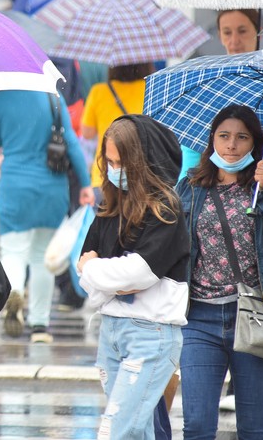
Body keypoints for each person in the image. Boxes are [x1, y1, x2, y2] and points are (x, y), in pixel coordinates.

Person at [176, 104, 263, 439]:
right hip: (199, 318)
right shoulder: (190, 187)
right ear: (212, 140)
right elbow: (169, 242)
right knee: (196, 425)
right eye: (223, 136)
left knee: (253, 429)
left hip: (257, 315)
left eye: (242, 137)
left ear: (256, 143)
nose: (231, 145)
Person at [77, 114, 190, 440]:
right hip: (112, 331)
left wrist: (97, 270)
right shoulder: (110, 205)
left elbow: (138, 272)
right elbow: (82, 270)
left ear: (142, 160)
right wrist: (104, 276)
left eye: (122, 162)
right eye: (109, 161)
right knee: (137, 432)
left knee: (116, 431)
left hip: (150, 333)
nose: (114, 170)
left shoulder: (165, 209)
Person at [0, 90, 94, 342]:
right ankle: (40, 326)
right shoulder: (53, 97)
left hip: (15, 188)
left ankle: (16, 292)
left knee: (13, 251)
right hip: (51, 190)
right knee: (43, 258)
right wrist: (85, 184)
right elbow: (72, 143)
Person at [179, 9, 261, 180]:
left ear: (258, 31)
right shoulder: (207, 86)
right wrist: (185, 193)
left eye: (242, 31)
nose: (234, 41)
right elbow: (192, 151)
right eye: (227, 32)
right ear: (219, 35)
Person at [81, 63, 154, 202]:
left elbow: (87, 133)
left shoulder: (99, 91)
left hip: (104, 175)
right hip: (142, 175)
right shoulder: (151, 89)